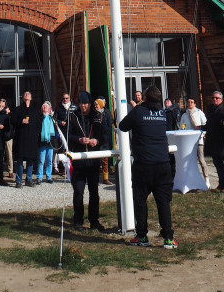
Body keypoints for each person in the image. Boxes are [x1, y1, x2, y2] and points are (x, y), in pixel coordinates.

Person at [119, 84, 176, 249]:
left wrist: (137, 110)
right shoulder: (163, 114)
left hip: (144, 164)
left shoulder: (138, 112)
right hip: (163, 163)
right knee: (163, 202)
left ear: (144, 98)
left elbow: (123, 126)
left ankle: (142, 236)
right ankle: (168, 238)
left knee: (140, 201)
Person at [67, 90, 108, 230]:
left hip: (93, 160)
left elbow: (105, 135)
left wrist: (96, 141)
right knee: (78, 191)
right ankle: (78, 220)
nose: (83, 106)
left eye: (85, 103)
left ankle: (94, 220)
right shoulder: (73, 117)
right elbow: (68, 136)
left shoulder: (98, 117)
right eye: (81, 103)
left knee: (94, 192)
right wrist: (79, 140)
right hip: (78, 161)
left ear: (90, 104)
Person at [203, 91, 224, 192]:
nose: (214, 100)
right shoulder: (211, 111)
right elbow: (208, 125)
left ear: (221, 100)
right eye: (213, 98)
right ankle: (221, 184)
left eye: (217, 98)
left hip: (222, 142)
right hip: (213, 141)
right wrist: (200, 127)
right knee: (217, 164)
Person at [12, 91, 40, 188]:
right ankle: (18, 180)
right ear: (23, 98)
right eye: (25, 94)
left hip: (32, 138)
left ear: (31, 98)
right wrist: (21, 121)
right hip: (21, 138)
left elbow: (38, 124)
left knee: (30, 160)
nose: (27, 95)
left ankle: (29, 179)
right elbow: (13, 121)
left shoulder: (35, 111)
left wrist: (36, 134)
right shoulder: (18, 110)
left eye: (29, 94)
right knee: (20, 160)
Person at [180, 97, 209, 183]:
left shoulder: (199, 113)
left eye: (192, 102)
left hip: (198, 139)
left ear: (195, 104)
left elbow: (205, 124)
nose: (189, 104)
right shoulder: (184, 115)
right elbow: (182, 126)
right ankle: (191, 179)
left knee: (201, 159)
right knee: (189, 161)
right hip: (189, 141)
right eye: (188, 102)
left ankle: (206, 179)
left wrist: (202, 134)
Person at [54, 93, 74, 175]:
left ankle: (71, 167)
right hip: (62, 131)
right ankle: (62, 168)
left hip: (71, 131)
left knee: (70, 149)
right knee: (62, 149)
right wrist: (60, 122)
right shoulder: (58, 108)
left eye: (66, 98)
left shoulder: (74, 107)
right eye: (63, 98)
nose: (65, 100)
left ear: (69, 98)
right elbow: (55, 118)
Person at [36, 102, 56, 184]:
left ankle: (49, 176)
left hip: (50, 141)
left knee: (49, 160)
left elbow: (56, 126)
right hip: (42, 141)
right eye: (43, 106)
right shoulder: (40, 117)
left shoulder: (52, 118)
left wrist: (52, 116)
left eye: (46, 106)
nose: (44, 107)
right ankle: (39, 177)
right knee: (41, 160)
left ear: (49, 109)